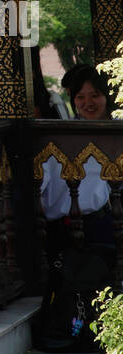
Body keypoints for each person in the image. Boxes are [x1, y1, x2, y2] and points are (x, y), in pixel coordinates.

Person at [41, 64, 114, 251]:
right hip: (63, 230)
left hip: (105, 225)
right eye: (80, 97)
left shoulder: (117, 132)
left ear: (107, 96)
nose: (88, 103)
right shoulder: (61, 138)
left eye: (95, 95)